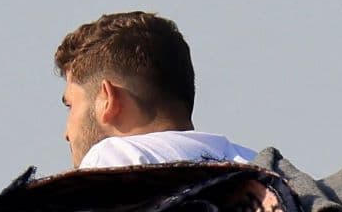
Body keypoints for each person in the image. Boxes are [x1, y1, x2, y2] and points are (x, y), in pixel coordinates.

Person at [56, 11, 253, 173]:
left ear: (108, 98)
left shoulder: (115, 158)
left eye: (71, 106)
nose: (66, 134)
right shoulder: (255, 166)